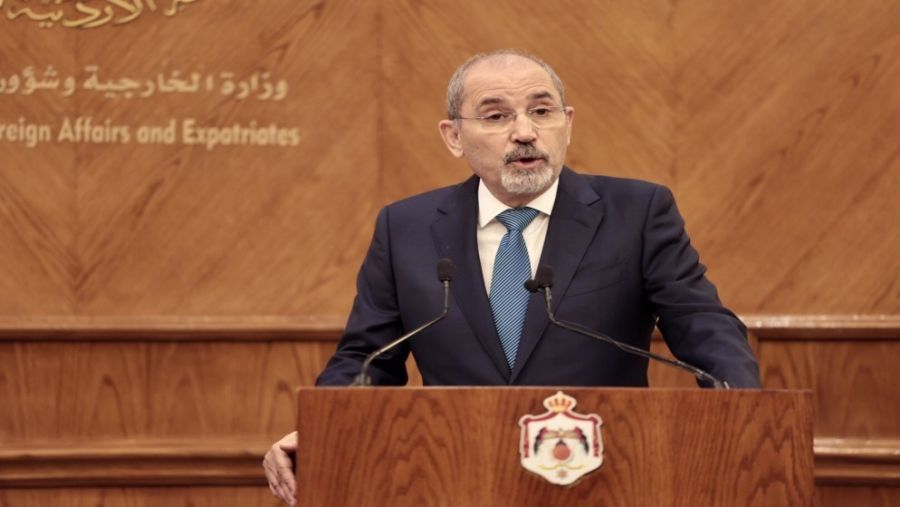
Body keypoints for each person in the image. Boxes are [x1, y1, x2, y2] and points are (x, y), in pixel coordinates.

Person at [263, 49, 761, 504]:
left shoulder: (637, 212)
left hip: (606, 479)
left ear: (567, 124)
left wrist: (745, 412)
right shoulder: (405, 228)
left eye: (541, 111)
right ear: (453, 136)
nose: (525, 132)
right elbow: (367, 357)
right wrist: (319, 430)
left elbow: (703, 324)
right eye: (496, 116)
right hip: (455, 479)